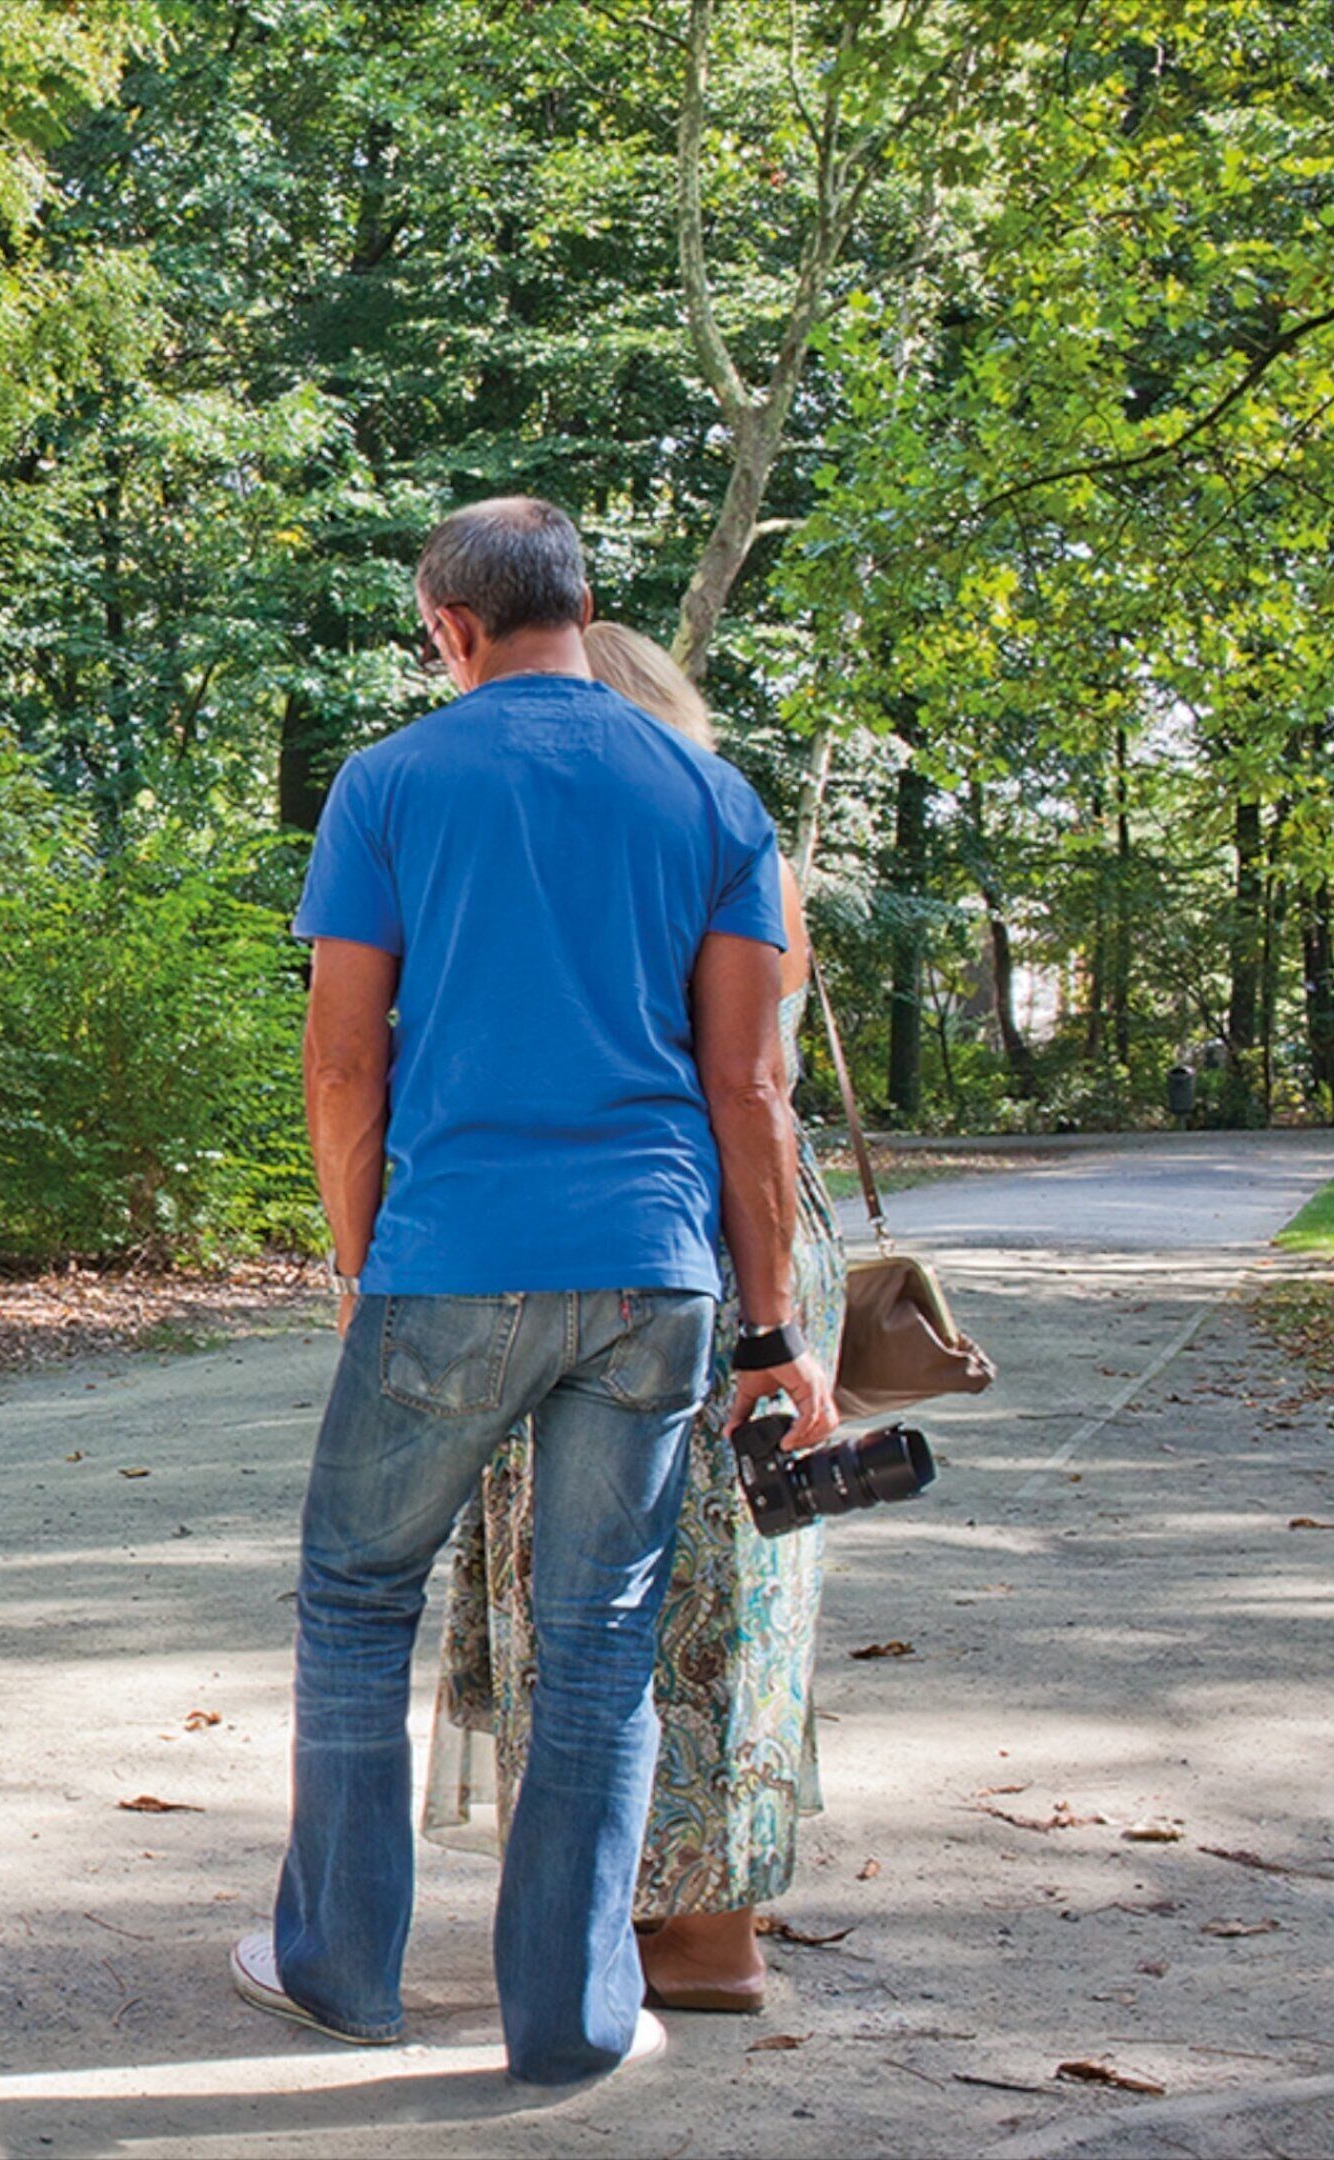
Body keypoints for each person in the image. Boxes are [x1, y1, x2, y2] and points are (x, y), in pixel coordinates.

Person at [237, 497, 838, 2085]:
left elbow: (344, 1057)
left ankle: (343, 1974)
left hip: (454, 1257)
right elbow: (750, 1089)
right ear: (583, 604)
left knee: (358, 1602)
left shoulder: (391, 783)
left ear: (451, 626)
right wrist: (771, 1333)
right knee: (603, 1636)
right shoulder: (711, 795)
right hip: (655, 1275)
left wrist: (361, 1260)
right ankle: (570, 2022)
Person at [425, 625, 851, 2013]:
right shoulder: (724, 841)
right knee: (720, 1591)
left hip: (644, 1249)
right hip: (743, 1246)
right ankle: (682, 1911)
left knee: (620, 1590)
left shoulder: (561, 866)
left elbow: (745, 1093)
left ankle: (686, 1930)